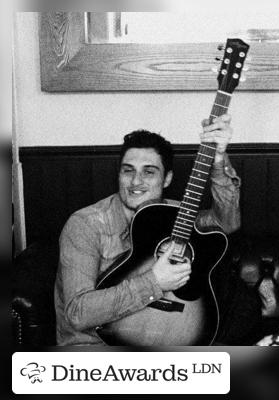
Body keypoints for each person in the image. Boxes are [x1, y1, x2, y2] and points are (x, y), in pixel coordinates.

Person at [54, 114, 241, 345]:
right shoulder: (85, 224)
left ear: (167, 179)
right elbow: (77, 313)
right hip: (95, 350)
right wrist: (154, 281)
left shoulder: (177, 215)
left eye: (149, 172)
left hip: (164, 344)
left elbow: (227, 223)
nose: (136, 181)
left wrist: (218, 160)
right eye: (128, 170)